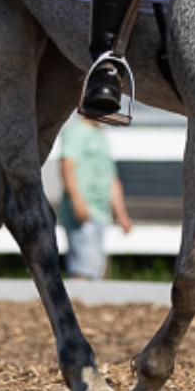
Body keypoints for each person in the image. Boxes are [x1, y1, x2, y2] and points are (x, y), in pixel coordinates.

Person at [54, 115, 134, 281]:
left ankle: (87, 304)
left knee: (96, 267)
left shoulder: (101, 136)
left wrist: (121, 214)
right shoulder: (75, 131)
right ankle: (76, 304)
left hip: (101, 212)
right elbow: (67, 166)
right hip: (84, 209)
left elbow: (111, 179)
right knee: (82, 267)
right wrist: (77, 201)